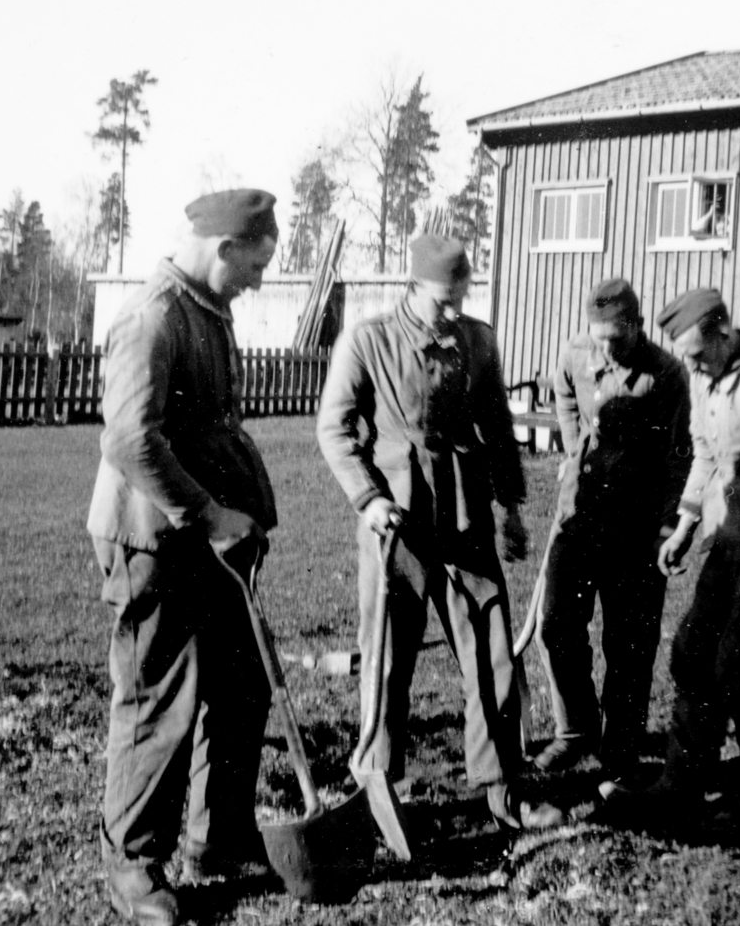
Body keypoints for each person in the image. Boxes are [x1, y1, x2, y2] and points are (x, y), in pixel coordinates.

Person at [317, 234, 559, 832]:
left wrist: (511, 510)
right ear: (413, 287)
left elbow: (500, 430)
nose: (454, 311)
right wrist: (368, 499)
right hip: (396, 526)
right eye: (443, 301)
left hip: (465, 521)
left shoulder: (477, 340)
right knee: (388, 658)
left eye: (461, 298)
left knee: (493, 652)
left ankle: (504, 788)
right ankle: (377, 788)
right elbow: (334, 429)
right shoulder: (367, 341)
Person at [87, 190, 280, 925]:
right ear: (225, 247)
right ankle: (133, 864)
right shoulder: (153, 315)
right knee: (158, 700)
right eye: (256, 264)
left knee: (241, 685)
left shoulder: (208, 309)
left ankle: (219, 839)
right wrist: (206, 512)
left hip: (212, 540)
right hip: (152, 539)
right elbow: (130, 442)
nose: (260, 279)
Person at [601, 287, 740, 817]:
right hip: (732, 538)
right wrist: (683, 525)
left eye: (697, 351)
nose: (689, 362)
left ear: (724, 331)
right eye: (683, 354)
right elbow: (704, 455)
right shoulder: (703, 380)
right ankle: (681, 785)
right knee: (691, 652)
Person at [531, 277, 690, 777]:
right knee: (555, 624)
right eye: (597, 337)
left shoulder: (665, 375)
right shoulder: (576, 353)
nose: (605, 348)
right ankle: (575, 731)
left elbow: (680, 457)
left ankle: (620, 742)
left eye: (615, 339)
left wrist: (669, 526)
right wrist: (575, 449)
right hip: (578, 518)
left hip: (635, 528)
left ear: (637, 328)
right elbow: (564, 393)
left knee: (630, 641)